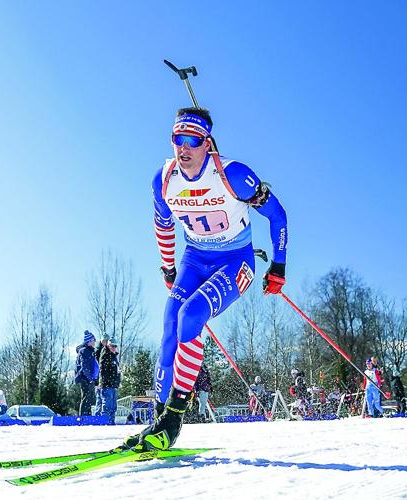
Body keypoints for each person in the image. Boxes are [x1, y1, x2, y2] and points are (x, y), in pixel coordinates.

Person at [122, 107, 288, 451]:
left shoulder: (233, 174)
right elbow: (163, 226)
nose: (184, 148)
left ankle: (173, 419)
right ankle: (158, 419)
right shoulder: (164, 180)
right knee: (170, 322)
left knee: (191, 315)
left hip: (235, 261)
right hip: (195, 259)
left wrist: (278, 267)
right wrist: (168, 268)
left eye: (193, 140)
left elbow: (278, 215)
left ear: (207, 144)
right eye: (177, 139)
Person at [74, 330, 99, 416]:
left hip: (88, 378)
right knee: (86, 398)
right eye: (94, 340)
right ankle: (84, 416)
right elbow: (85, 367)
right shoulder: (85, 351)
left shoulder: (90, 351)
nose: (95, 341)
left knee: (89, 398)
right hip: (85, 378)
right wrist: (90, 378)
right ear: (89, 341)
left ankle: (87, 415)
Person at [99, 341, 121, 424]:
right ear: (108, 346)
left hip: (114, 385)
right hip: (107, 385)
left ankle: (111, 421)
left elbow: (116, 371)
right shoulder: (105, 356)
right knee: (107, 405)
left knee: (113, 406)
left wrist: (117, 381)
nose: (114, 348)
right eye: (112, 346)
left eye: (115, 346)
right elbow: (103, 371)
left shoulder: (114, 357)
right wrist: (109, 380)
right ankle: (105, 422)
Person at [93, 336, 110, 416]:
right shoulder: (98, 351)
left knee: (103, 398)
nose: (106, 342)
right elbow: (97, 367)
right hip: (99, 378)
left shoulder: (107, 350)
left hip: (104, 379)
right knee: (99, 398)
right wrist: (96, 382)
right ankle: (97, 414)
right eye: (105, 341)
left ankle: (100, 414)